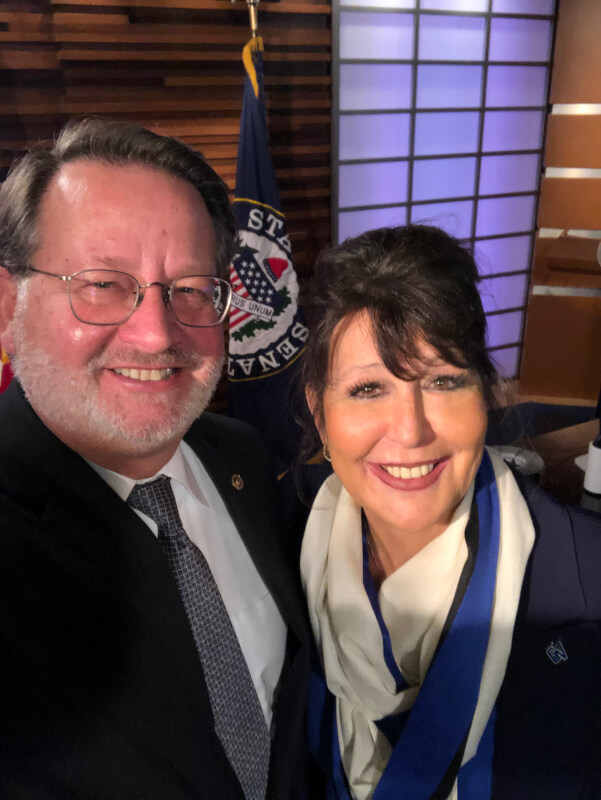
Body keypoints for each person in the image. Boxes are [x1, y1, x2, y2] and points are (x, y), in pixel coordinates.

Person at [0, 118, 310, 799]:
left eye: (192, 288)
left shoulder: (245, 459)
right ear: (7, 302)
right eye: (103, 284)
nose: (156, 333)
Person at [296, 225, 601, 800]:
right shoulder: (280, 555)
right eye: (367, 390)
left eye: (442, 381)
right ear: (319, 412)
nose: (411, 431)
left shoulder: (589, 585)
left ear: (485, 394)